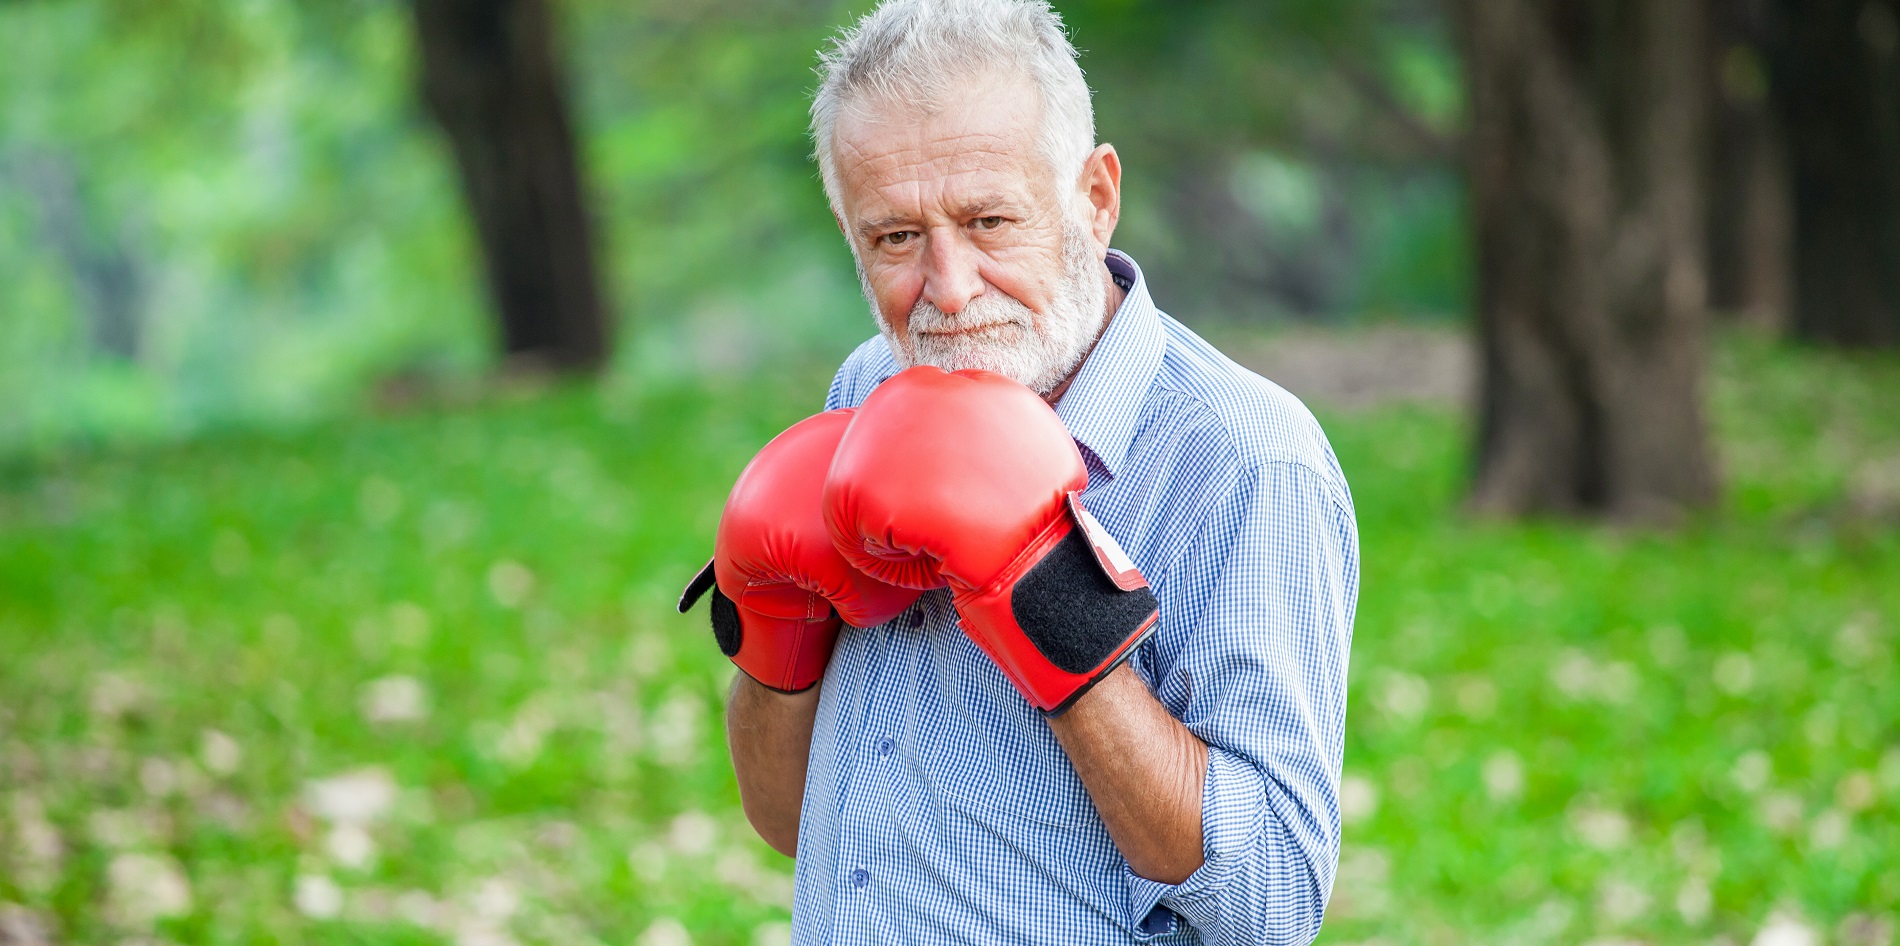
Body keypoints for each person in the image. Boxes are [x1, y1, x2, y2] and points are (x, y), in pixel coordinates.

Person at [704, 1, 1358, 942]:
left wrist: (1053, 597)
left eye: (988, 220)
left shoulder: (1245, 459)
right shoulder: (871, 385)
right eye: (895, 237)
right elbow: (789, 821)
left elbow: (1273, 907)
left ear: (1094, 198)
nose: (951, 286)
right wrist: (771, 633)